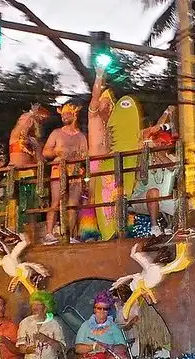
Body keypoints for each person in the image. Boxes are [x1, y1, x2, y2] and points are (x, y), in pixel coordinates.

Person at [74, 291, 154, 359]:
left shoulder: (113, 326)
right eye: (99, 308)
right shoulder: (85, 326)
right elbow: (78, 349)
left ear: (108, 311)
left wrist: (110, 347)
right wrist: (94, 347)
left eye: (105, 309)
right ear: (94, 309)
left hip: (110, 357)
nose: (102, 311)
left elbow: (123, 347)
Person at [42, 103, 88, 245]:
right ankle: (49, 233)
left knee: (73, 203)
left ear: (74, 115)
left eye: (66, 113)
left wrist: (78, 157)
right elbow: (45, 152)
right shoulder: (56, 133)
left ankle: (70, 234)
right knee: (56, 200)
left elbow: (86, 155)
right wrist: (57, 152)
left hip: (75, 170)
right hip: (59, 168)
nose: (63, 116)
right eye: (62, 114)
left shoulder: (81, 136)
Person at [132, 106, 179, 237]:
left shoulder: (172, 158)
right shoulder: (146, 155)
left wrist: (157, 153)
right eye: (158, 142)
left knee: (187, 201)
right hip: (142, 198)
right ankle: (154, 227)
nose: (160, 145)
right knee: (154, 192)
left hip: (164, 200)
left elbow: (171, 166)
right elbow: (150, 132)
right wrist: (166, 113)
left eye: (164, 143)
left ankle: (173, 227)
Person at [83, 67, 115, 241]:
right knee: (93, 197)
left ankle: (109, 231)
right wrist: (99, 76)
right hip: (95, 162)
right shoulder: (93, 116)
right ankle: (90, 233)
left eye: (110, 103)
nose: (107, 105)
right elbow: (95, 97)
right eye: (105, 102)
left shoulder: (112, 124)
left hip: (110, 163)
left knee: (111, 196)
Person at [9, 104, 49, 230]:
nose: (27, 121)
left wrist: (39, 151)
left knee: (31, 207)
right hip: (16, 176)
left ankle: (31, 232)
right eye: (23, 119)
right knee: (17, 206)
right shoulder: (15, 135)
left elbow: (40, 159)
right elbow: (21, 126)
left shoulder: (34, 140)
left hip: (31, 176)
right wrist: (31, 113)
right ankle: (16, 232)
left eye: (30, 120)